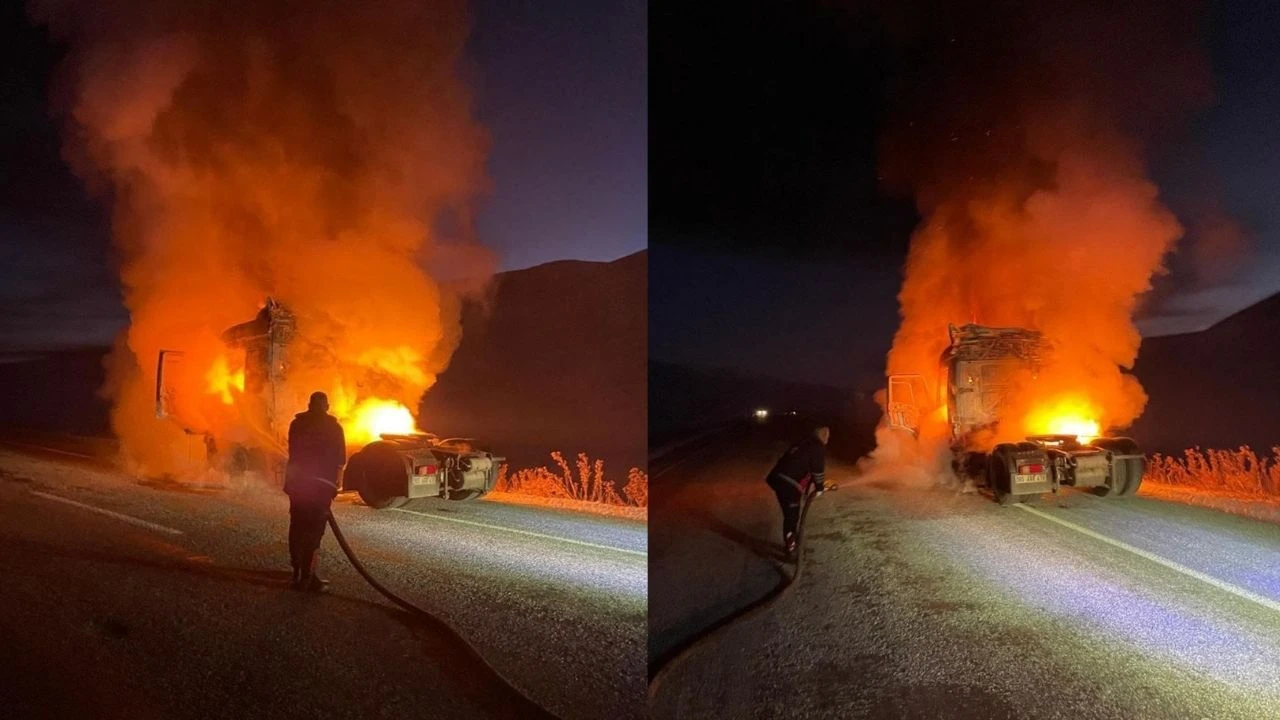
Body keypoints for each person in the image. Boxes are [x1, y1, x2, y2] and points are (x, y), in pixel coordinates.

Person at [284, 391, 346, 591]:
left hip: (298, 484)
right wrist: (336, 484)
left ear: (309, 405)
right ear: (327, 407)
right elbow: (340, 460)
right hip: (321, 487)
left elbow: (292, 451)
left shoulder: (297, 424)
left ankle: (296, 570)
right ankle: (308, 576)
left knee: (297, 525)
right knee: (314, 530)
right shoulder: (335, 428)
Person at [765, 426, 829, 554]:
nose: (827, 438)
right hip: (788, 484)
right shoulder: (817, 447)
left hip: (777, 479)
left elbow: (805, 467)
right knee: (792, 516)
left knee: (791, 514)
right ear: (822, 436)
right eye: (826, 435)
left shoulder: (803, 443)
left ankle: (793, 542)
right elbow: (817, 470)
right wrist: (820, 488)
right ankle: (790, 548)